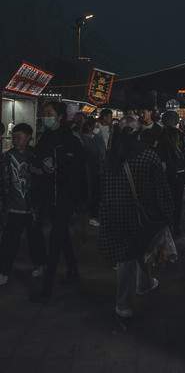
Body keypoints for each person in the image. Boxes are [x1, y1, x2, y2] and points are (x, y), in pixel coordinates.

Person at [98, 115, 173, 318]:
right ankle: (134, 294)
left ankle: (132, 296)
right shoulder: (148, 156)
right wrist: (167, 215)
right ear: (139, 134)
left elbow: (103, 189)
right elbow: (162, 190)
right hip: (143, 218)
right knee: (141, 250)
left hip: (117, 215)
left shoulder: (112, 157)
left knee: (126, 257)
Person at [31, 101, 88, 301]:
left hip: (66, 198)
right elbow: (35, 166)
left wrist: (79, 199)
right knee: (61, 234)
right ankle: (72, 269)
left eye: (49, 113)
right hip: (48, 198)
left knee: (55, 239)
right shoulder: (43, 139)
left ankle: (46, 288)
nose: (45, 116)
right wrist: (42, 170)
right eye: (44, 113)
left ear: (60, 116)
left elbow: (82, 171)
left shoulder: (72, 139)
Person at [0, 123, 46, 286]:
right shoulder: (6, 158)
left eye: (19, 137)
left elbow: (43, 180)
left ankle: (39, 264)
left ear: (29, 138)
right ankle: (4, 270)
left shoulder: (35, 157)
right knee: (9, 242)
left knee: (36, 239)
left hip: (32, 208)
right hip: (13, 208)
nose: (15, 140)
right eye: (13, 137)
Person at [157, 111, 185, 236]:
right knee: (177, 202)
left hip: (164, 174)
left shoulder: (160, 136)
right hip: (179, 175)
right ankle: (175, 228)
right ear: (177, 122)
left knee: (164, 201)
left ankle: (165, 227)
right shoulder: (182, 136)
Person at [82, 117, 106, 227]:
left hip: (98, 171)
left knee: (96, 194)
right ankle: (89, 215)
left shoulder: (99, 140)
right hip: (86, 172)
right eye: (96, 126)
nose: (97, 128)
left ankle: (93, 215)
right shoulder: (83, 140)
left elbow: (103, 156)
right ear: (89, 127)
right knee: (88, 193)